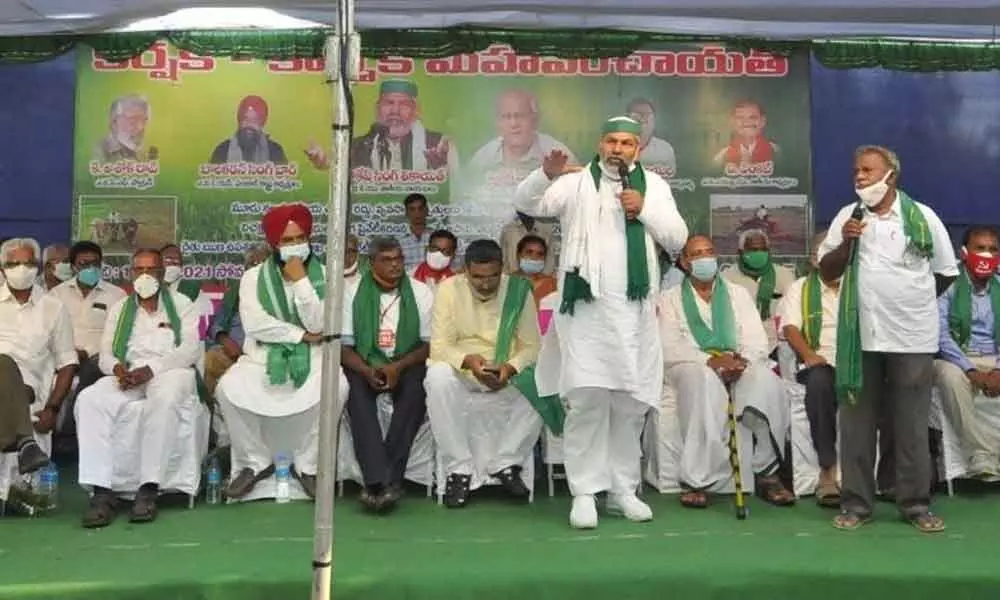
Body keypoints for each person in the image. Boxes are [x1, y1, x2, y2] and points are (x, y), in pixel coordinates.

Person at [514, 116, 689, 529]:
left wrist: (643, 209)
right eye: (611, 141)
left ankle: (622, 490)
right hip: (586, 312)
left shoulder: (654, 188)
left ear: (638, 150)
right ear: (600, 144)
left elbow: (678, 239)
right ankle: (585, 492)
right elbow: (528, 203)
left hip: (634, 315)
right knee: (588, 402)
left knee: (629, 405)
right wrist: (545, 174)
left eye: (626, 143)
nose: (618, 149)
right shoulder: (575, 183)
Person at [818, 145, 957, 533]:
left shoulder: (923, 218)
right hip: (860, 338)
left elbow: (945, 273)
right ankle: (857, 504)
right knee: (857, 424)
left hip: (911, 338)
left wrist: (907, 302)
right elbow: (827, 271)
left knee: (910, 424)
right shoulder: (849, 216)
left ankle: (914, 504)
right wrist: (847, 243)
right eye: (855, 170)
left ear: (890, 176)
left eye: (867, 170)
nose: (859, 176)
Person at [660, 235, 793, 508]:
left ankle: (767, 471)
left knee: (768, 382)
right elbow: (668, 347)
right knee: (704, 381)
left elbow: (757, 339)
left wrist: (740, 361)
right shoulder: (669, 299)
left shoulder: (737, 293)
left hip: (737, 362)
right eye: (696, 254)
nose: (704, 258)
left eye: (709, 252)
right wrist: (709, 361)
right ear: (684, 263)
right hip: (689, 366)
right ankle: (698, 479)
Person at [77, 248, 201, 527]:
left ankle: (148, 488)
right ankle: (102, 491)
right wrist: (119, 370)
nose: (144, 276)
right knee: (90, 399)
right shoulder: (121, 308)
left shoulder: (182, 304)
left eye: (151, 270)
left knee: (165, 398)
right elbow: (107, 352)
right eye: (139, 270)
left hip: (170, 370)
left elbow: (190, 349)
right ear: (131, 274)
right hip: (130, 372)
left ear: (161, 274)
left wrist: (152, 370)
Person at [215, 204, 326, 500]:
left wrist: (302, 280)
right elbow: (255, 324)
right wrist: (301, 334)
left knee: (335, 387)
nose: (294, 246)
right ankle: (255, 461)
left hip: (313, 359)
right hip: (262, 357)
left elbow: (321, 322)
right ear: (275, 244)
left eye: (299, 238)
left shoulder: (324, 275)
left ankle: (309, 465)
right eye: (287, 240)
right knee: (227, 389)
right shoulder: (253, 278)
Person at [424, 240, 547, 508]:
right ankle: (459, 468)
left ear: (502, 270)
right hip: (464, 370)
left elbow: (531, 346)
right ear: (465, 270)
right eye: (477, 277)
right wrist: (468, 361)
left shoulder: (517, 290)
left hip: (505, 371)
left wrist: (509, 367)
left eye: (492, 277)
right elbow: (439, 346)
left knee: (542, 380)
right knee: (437, 377)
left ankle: (506, 462)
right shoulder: (448, 289)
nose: (485, 284)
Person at [339, 237, 434, 513]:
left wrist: (397, 367)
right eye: (387, 260)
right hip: (364, 363)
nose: (395, 265)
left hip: (406, 362)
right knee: (356, 396)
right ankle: (382, 481)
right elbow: (344, 347)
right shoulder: (351, 292)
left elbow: (428, 345)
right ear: (371, 263)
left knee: (415, 393)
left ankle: (379, 483)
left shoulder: (420, 292)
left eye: (399, 259)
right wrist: (369, 370)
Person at [0, 238, 76, 476]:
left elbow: (67, 363)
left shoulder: (53, 307)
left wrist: (52, 409)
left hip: (29, 388)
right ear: (2, 269)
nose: (21, 269)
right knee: (3, 362)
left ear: (38, 267)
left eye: (27, 263)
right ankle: (25, 442)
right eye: (13, 264)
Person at [777, 232, 842, 506]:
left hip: (857, 360)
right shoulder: (801, 288)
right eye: (823, 252)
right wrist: (809, 355)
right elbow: (790, 327)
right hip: (819, 360)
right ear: (814, 260)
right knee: (820, 384)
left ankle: (889, 475)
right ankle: (828, 471)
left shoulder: (859, 286)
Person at [935, 226, 1000, 477]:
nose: (985, 255)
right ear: (964, 253)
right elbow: (941, 335)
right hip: (958, 357)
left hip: (994, 358)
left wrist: (997, 369)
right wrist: (971, 370)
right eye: (979, 248)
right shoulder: (948, 286)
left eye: (992, 249)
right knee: (950, 375)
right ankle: (979, 453)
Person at [49, 241, 127, 434]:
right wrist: (70, 353)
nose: (90, 269)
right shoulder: (56, 295)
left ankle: (68, 434)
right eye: (84, 264)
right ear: (73, 266)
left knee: (94, 366)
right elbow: (48, 333)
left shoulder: (117, 295)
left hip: (97, 361)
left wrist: (88, 353)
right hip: (63, 358)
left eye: (95, 264)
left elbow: (119, 337)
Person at [337, 79, 453, 172]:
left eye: (404, 104)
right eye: (388, 103)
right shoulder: (357, 147)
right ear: (377, 109)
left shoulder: (437, 144)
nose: (395, 111)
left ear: (415, 110)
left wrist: (442, 167)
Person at [203, 244, 271, 396]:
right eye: (253, 264)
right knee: (213, 357)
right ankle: (216, 413)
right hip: (235, 354)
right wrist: (226, 340)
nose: (258, 267)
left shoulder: (282, 293)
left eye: (263, 262)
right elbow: (215, 325)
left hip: (269, 355)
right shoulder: (236, 293)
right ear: (246, 269)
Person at [467, 89, 576, 177]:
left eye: (520, 116)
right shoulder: (484, 157)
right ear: (498, 123)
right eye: (506, 117)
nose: (514, 124)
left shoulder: (558, 154)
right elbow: (468, 193)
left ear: (534, 120)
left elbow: (578, 194)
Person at [720, 228, 797, 350]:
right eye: (753, 250)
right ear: (740, 252)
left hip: (777, 344)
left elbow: (792, 313)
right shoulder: (726, 278)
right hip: (741, 344)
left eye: (763, 249)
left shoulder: (784, 275)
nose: (759, 253)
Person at [210, 95, 288, 165]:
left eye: (255, 120)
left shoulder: (275, 151)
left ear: (262, 123)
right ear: (239, 121)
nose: (249, 125)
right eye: (246, 119)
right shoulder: (222, 150)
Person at [712, 100, 780, 172]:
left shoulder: (776, 152)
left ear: (762, 121)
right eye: (740, 118)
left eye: (753, 117)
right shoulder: (722, 156)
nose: (746, 122)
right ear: (733, 122)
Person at [625, 98, 677, 178]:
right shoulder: (617, 147)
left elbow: (668, 182)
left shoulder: (665, 149)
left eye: (647, 114)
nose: (642, 118)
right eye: (637, 114)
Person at [93, 95, 154, 163]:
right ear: (114, 121)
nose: (140, 126)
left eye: (144, 120)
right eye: (133, 119)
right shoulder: (101, 150)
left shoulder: (147, 151)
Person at [512, 234, 557, 309]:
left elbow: (547, 316)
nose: (534, 257)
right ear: (518, 255)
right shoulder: (507, 281)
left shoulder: (551, 284)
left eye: (540, 254)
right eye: (529, 252)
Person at [399, 193, 432, 270]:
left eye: (420, 208)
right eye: (412, 209)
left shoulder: (436, 239)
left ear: (426, 210)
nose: (417, 213)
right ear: (406, 213)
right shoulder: (399, 242)